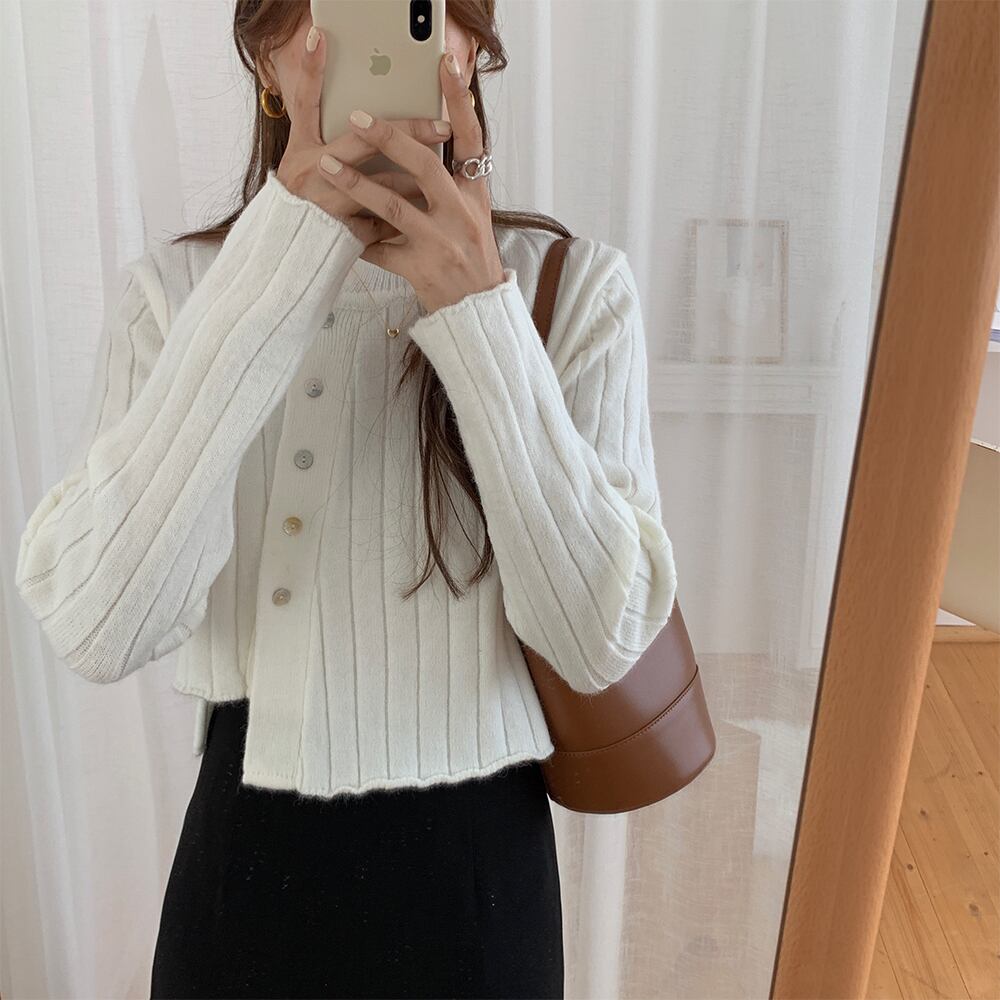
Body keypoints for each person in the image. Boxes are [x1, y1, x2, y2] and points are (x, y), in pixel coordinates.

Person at [14, 1, 679, 996]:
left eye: (412, 11)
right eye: (333, 8)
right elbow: (97, 625)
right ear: (266, 60)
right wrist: (276, 266)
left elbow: (598, 640)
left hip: (479, 887)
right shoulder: (180, 291)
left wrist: (479, 309)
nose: (373, 36)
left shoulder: (572, 288)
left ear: (468, 49)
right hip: (244, 872)